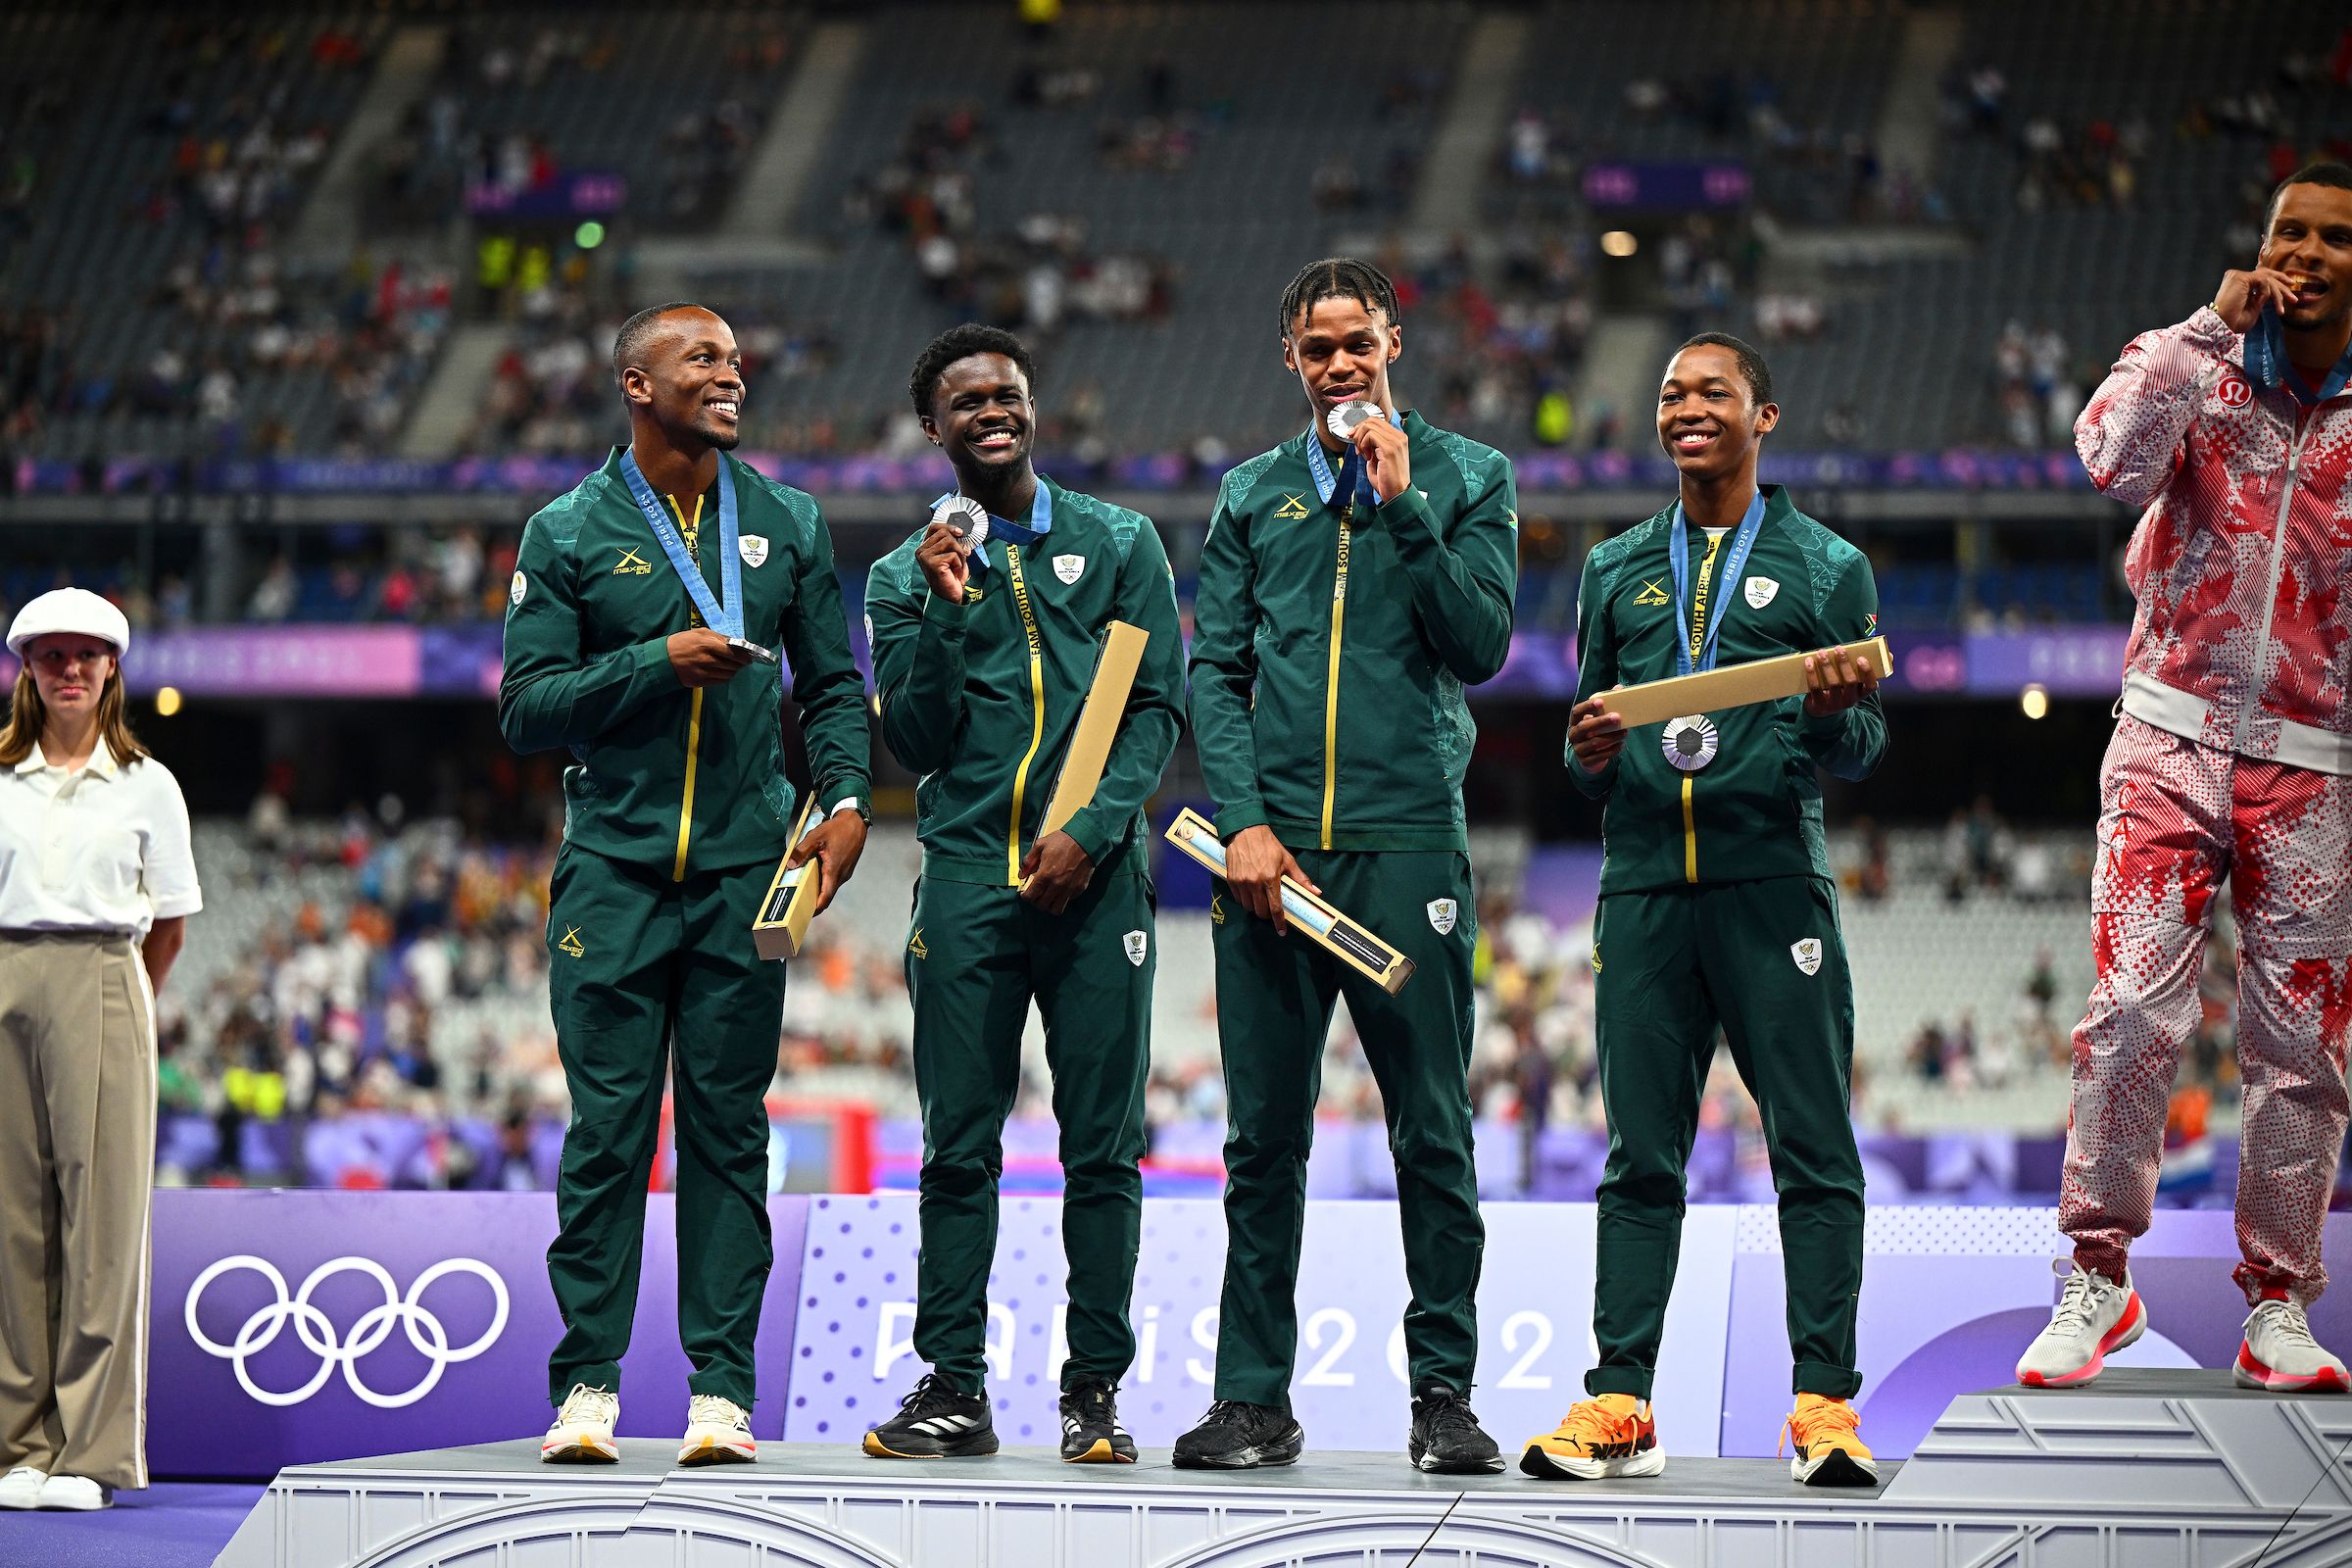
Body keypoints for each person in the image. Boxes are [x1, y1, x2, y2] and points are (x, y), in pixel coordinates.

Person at [502, 303, 872, 1466]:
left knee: (727, 1130)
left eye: (732, 355)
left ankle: (722, 1393)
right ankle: (587, 1391)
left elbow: (830, 684)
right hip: (612, 869)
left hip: (742, 874)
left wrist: (850, 798)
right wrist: (651, 662)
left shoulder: (784, 519)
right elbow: (524, 708)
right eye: (700, 358)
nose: (730, 371)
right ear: (636, 384)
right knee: (608, 1134)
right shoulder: (567, 529)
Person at [2017, 163, 2352, 1393]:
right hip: (2167, 736)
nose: (2305, 253)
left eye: (2333, 237)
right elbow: (2105, 456)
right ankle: (2096, 1279)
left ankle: (2277, 1308)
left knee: (2302, 1050)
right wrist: (2210, 324)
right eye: (2286, 233)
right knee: (2127, 1016)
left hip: (2320, 768)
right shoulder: (2201, 365)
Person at [1531, 333, 1885, 1489]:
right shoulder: (1618, 565)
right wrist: (1584, 751)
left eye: (1712, 392)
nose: (1686, 407)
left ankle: (1824, 1405)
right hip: (1642, 891)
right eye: (1672, 392)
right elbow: (1594, 747)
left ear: (1762, 416)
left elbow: (1866, 746)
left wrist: (1834, 715)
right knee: (1641, 1157)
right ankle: (1620, 1401)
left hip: (1771, 881)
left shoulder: (1827, 565)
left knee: (1813, 1149)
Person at [1183, 258, 1516, 1474]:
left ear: (1392, 344)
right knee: (1262, 1140)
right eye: (1316, 346)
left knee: (1432, 1129)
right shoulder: (1252, 492)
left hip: (1407, 839)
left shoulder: (1472, 476)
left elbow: (1479, 644)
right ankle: (1253, 1400)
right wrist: (1248, 823)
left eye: (1356, 342)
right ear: (1290, 356)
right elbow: (1214, 670)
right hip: (1271, 858)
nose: (1338, 364)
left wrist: (1406, 502)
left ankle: (1444, 1398)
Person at [858, 325, 1184, 1464]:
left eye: (1007, 392)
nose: (992, 410)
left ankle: (1092, 1390)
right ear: (933, 428)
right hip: (965, 879)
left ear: (1033, 406)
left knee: (1104, 1147)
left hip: (1095, 884)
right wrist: (948, 610)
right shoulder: (903, 575)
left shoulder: (1119, 539)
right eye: (966, 401)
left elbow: (1154, 710)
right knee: (957, 1145)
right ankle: (953, 1384)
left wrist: (1090, 832)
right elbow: (915, 736)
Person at [0, 589, 201, 1512]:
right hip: (6, 976)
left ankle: (89, 1454)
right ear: (26, 669)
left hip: (105, 976)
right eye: (52, 655)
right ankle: (20, 1445)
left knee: (105, 1228)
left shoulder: (147, 783)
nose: (70, 669)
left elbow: (168, 926)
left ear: (113, 667)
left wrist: (123, 1002)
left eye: (87, 654)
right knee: (14, 1227)